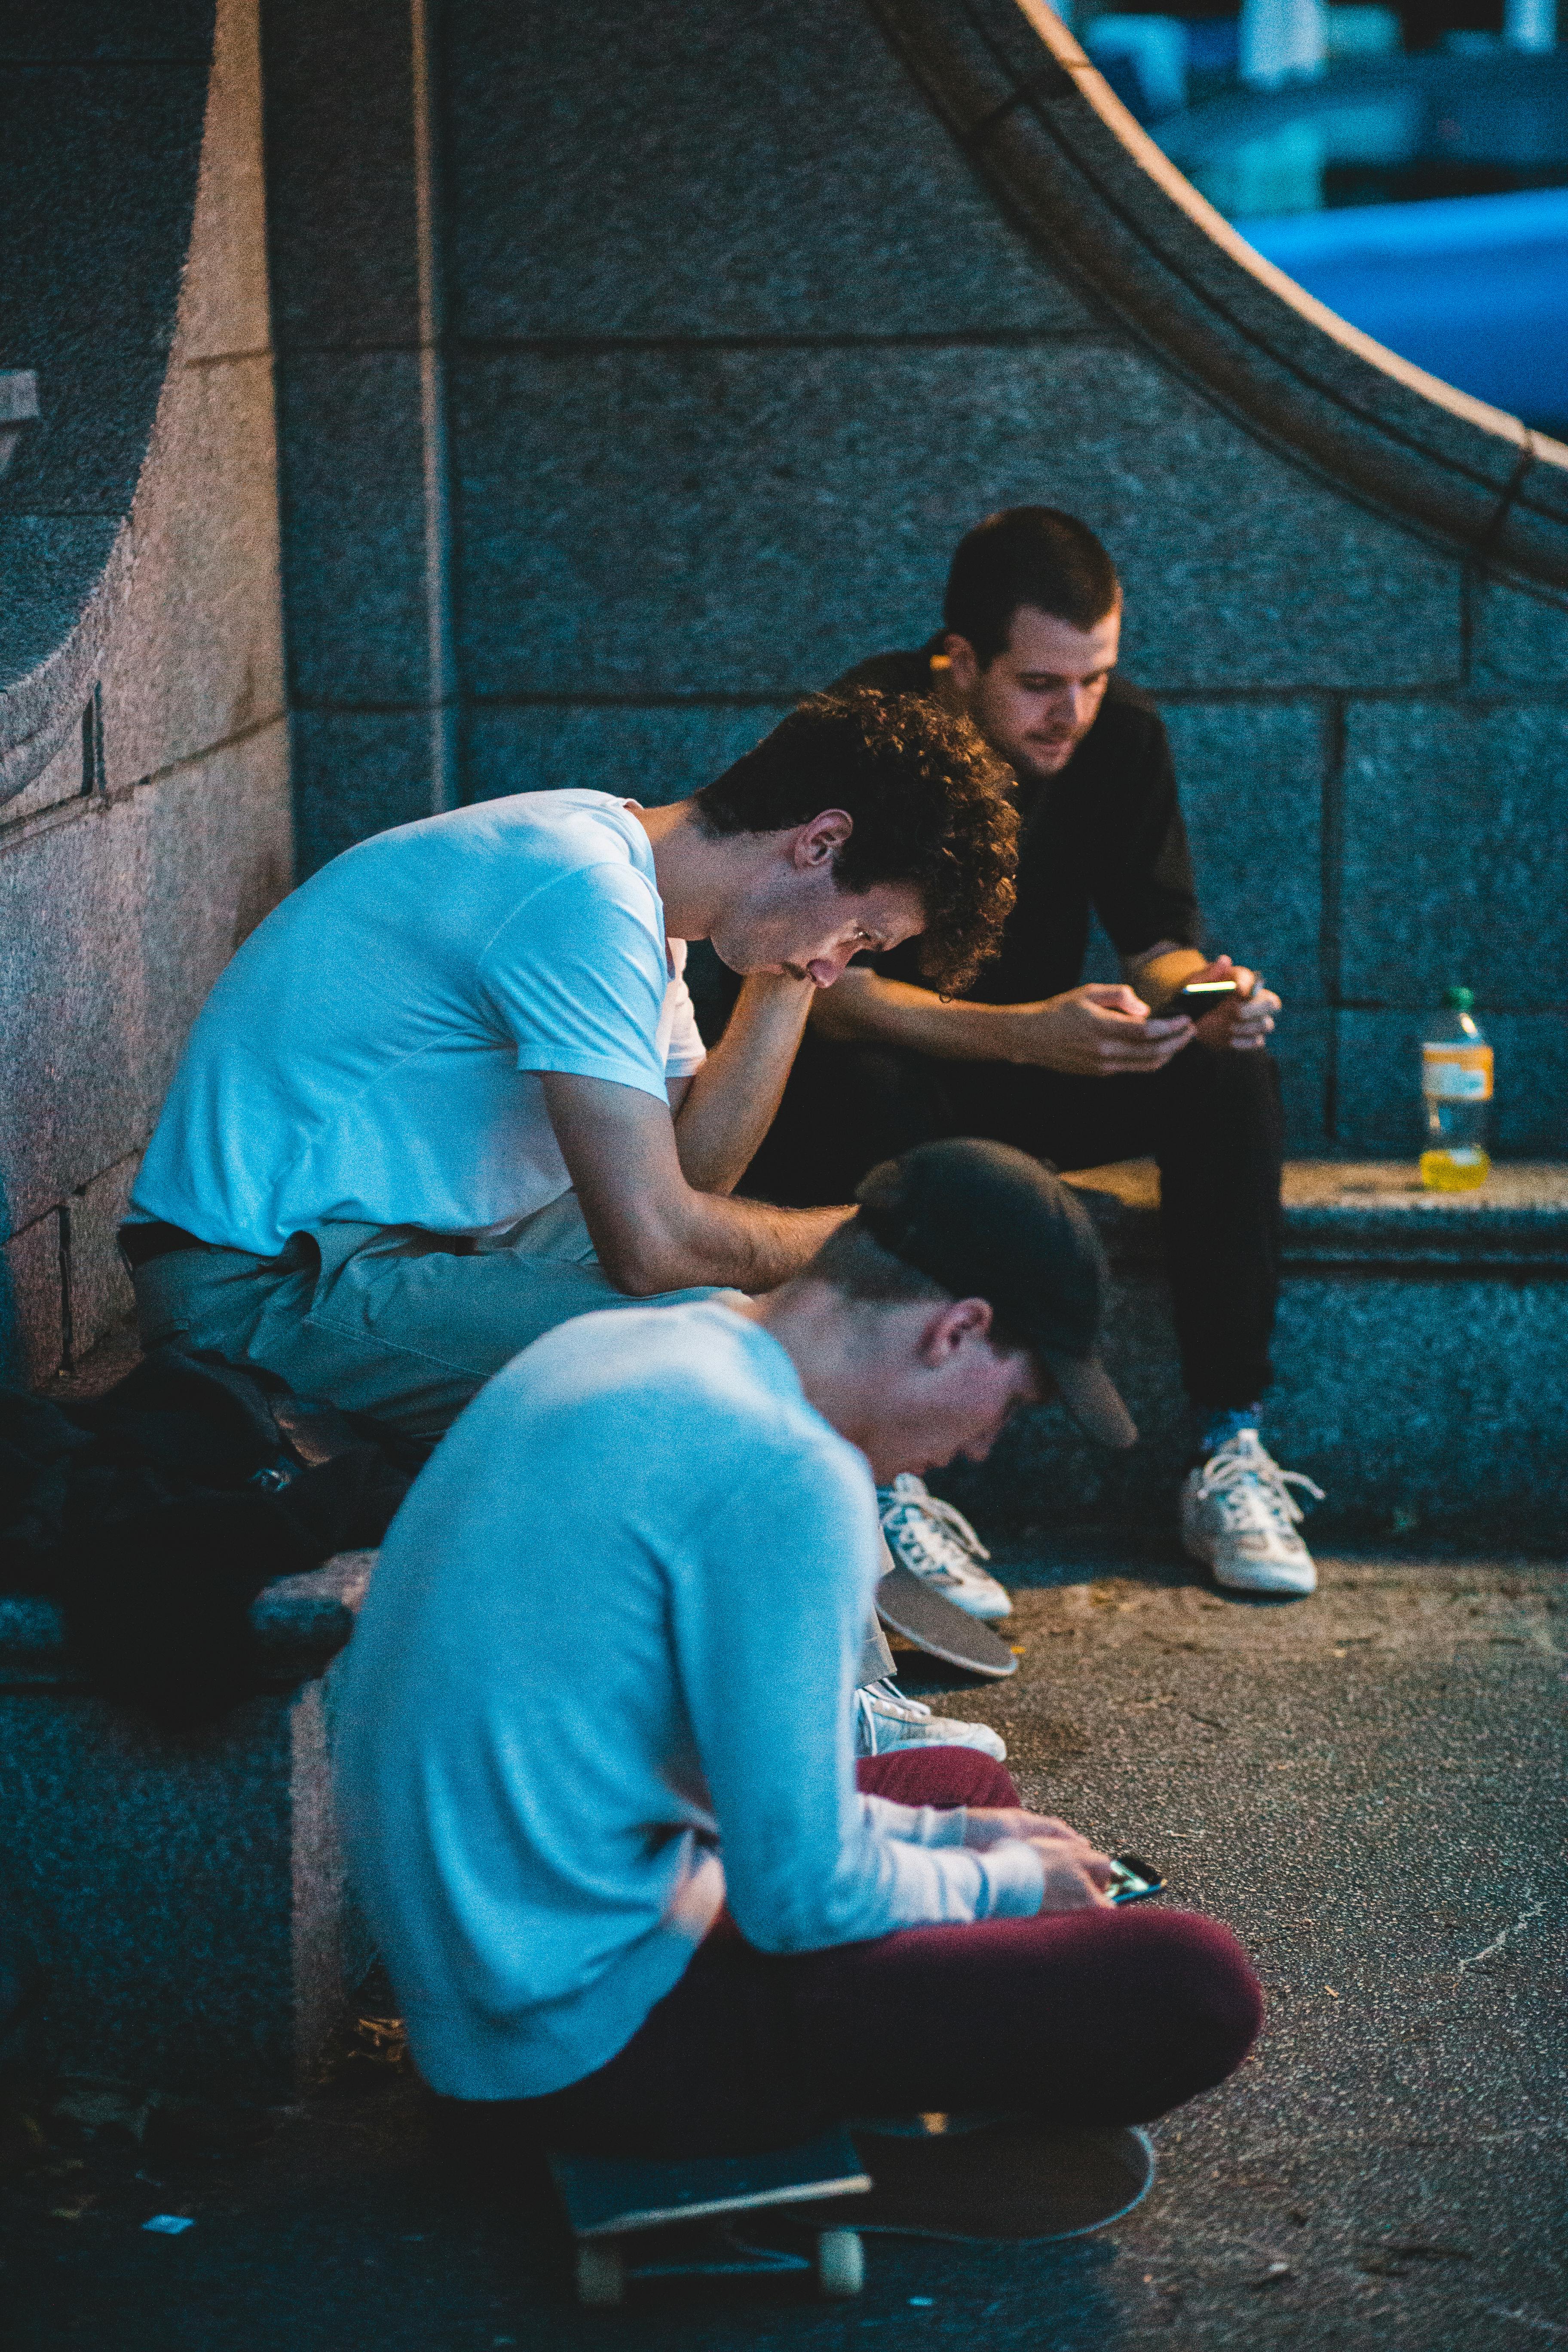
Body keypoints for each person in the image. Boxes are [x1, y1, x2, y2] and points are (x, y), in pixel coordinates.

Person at [334, 1140, 1261, 2160]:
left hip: (487, 1991)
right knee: (1192, 1983)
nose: (986, 1446)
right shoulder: (787, 1472)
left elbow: (734, 1801)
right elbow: (799, 1896)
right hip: (574, 2050)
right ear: (958, 1331)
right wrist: (1004, 1888)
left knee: (959, 1784)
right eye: (1018, 1401)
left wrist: (961, 1850)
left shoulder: (655, 1340)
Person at [121, 690, 1016, 1444]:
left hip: (380, 1255)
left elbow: (691, 1181)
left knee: (744, 1316)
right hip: (253, 1290)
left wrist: (789, 977)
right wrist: (871, 1238)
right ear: (819, 843)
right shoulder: (578, 891)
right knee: (726, 1359)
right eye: (862, 934)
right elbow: (654, 1246)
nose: (839, 965)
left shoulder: (634, 902)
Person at [735, 508, 1321, 1601]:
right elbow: (814, 991)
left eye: (1095, 678)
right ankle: (883, 1484)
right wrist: (1028, 1035)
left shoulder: (1119, 735)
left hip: (1039, 1064)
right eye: (1043, 684)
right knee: (860, 1077)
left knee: (1230, 1069)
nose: (1074, 713)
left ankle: (1230, 1446)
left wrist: (1204, 998)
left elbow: (1157, 946)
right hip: (886, 1071)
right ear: (960, 662)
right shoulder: (869, 736)